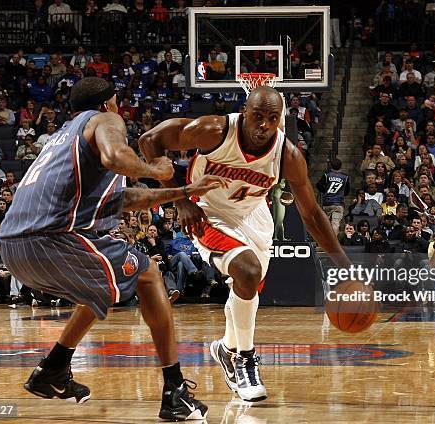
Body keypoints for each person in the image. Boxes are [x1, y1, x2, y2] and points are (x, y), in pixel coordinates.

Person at [0, 78, 224, 421]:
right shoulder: (105, 120)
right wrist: (155, 170)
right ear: (107, 103)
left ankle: (53, 369)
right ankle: (174, 392)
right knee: (148, 272)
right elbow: (116, 155)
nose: (120, 109)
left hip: (13, 247)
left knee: (105, 280)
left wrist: (184, 191)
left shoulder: (63, 140)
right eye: (118, 101)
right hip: (51, 240)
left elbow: (125, 200)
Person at [138, 85, 353, 402]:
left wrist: (348, 269)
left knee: (249, 286)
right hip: (207, 212)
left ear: (280, 120)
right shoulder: (214, 130)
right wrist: (178, 198)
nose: (264, 125)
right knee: (248, 271)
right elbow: (149, 141)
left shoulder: (288, 155)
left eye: (272, 118)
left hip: (254, 215)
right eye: (258, 116)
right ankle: (245, 360)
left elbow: (312, 215)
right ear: (245, 113)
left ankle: (227, 348)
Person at [316, 158, 350, 234]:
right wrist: (341, 194)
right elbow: (347, 191)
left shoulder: (327, 175)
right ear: (341, 166)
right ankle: (333, 242)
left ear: (331, 166)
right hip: (338, 203)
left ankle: (323, 241)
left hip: (327, 202)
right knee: (335, 224)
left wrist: (325, 191)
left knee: (325, 224)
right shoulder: (345, 177)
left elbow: (318, 185)